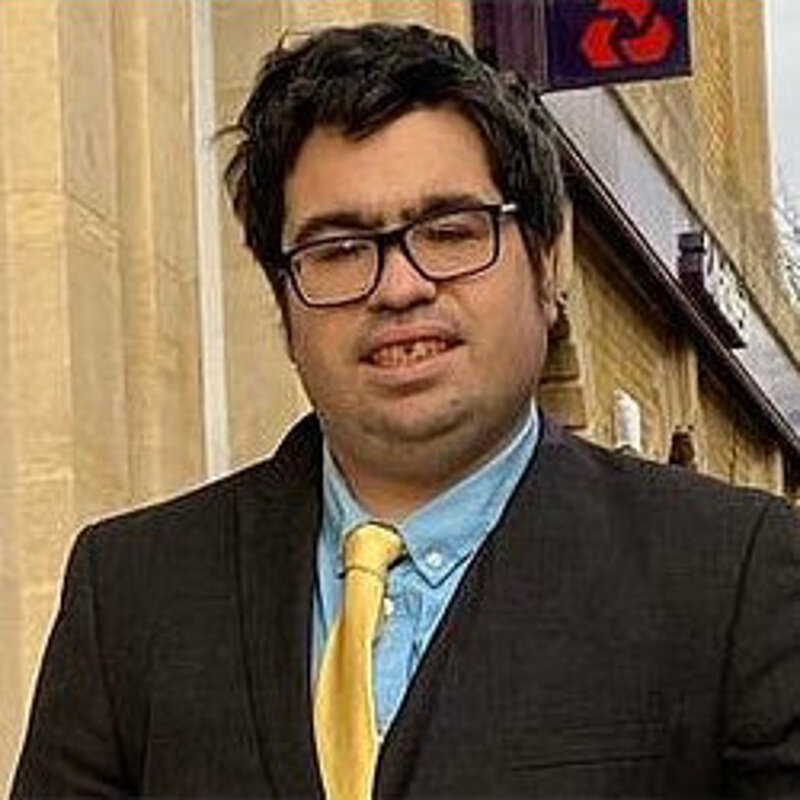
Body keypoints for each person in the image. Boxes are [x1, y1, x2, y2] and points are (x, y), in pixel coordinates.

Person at [12, 21, 800, 800]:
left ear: (549, 260)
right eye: (339, 249)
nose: (399, 287)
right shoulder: (132, 592)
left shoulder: (733, 577)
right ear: (283, 299)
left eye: (451, 232)